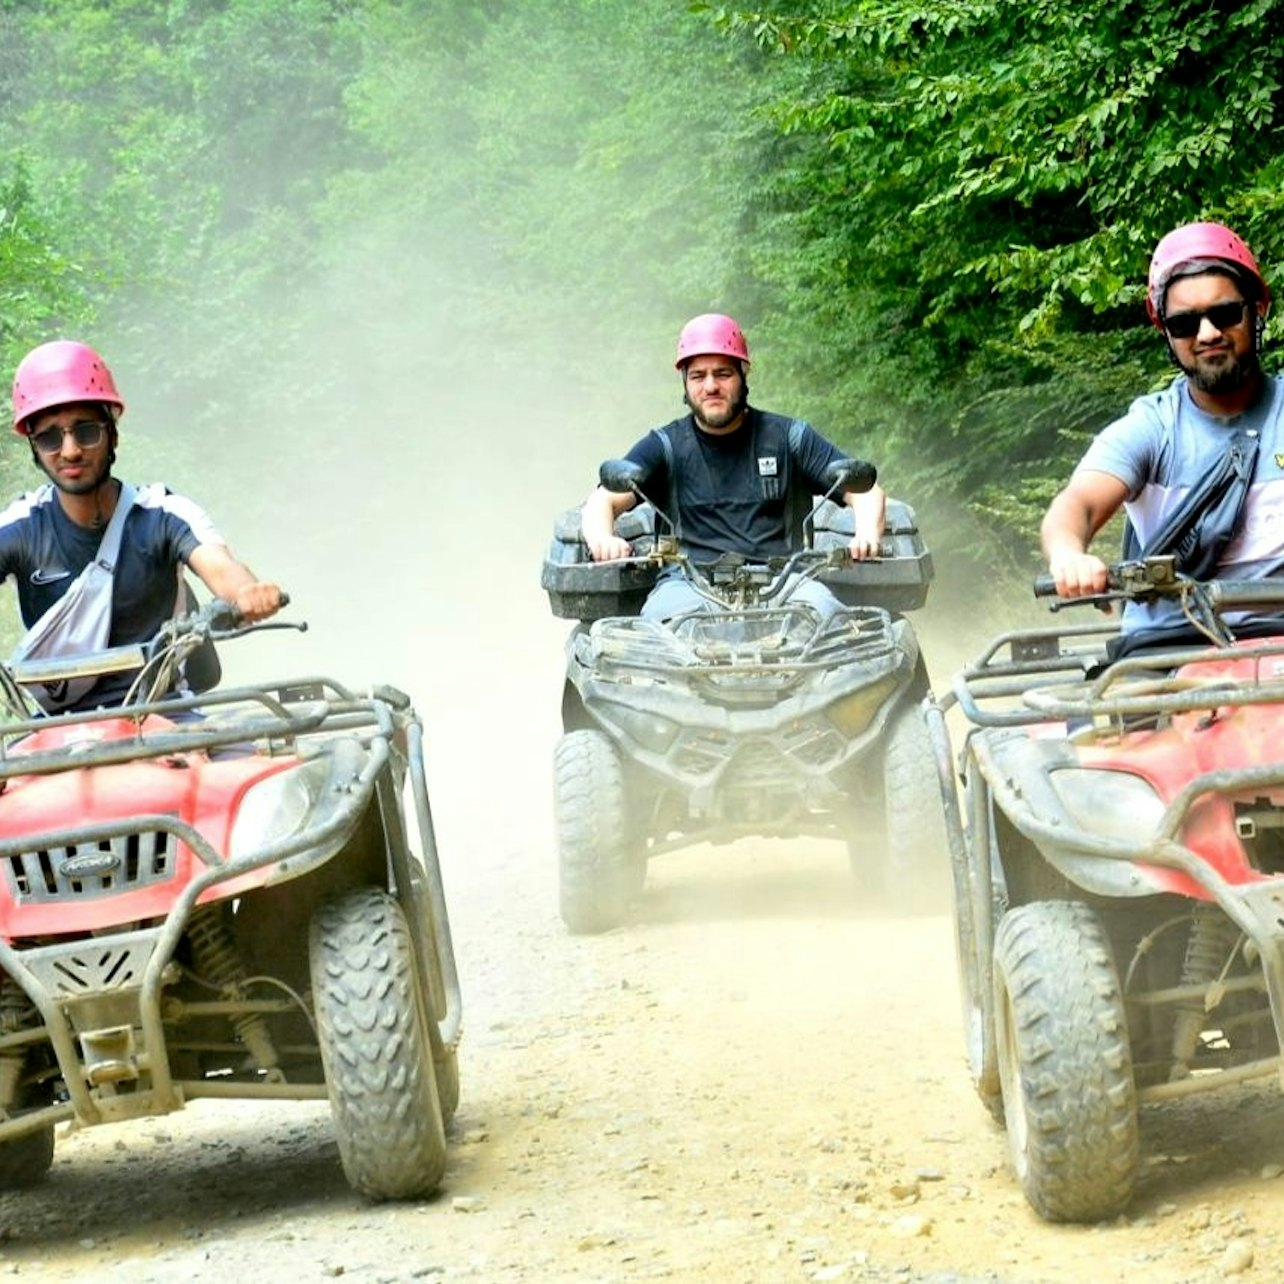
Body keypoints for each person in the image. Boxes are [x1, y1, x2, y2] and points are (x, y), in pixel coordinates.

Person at [0, 339, 284, 711]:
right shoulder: (21, 526)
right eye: (51, 437)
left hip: (167, 721)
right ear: (35, 448)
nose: (70, 451)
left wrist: (247, 594)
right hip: (58, 733)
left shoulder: (162, 513)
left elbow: (223, 569)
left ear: (112, 434)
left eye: (86, 432)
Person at [1041, 220, 1284, 650]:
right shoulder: (1151, 429)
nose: (1208, 334)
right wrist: (1069, 557)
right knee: (1103, 717)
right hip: (1168, 652)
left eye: (1225, 314)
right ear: (1165, 333)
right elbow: (1075, 505)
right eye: (1185, 324)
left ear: (1258, 309)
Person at [580, 312, 887, 622]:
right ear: (685, 383)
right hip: (686, 587)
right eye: (698, 376)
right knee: (653, 635)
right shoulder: (664, 445)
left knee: (833, 622)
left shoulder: (790, 438)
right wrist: (603, 539)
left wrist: (866, 534)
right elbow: (603, 500)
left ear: (743, 374)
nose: (710, 386)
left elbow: (866, 491)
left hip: (786, 584)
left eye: (723, 373)